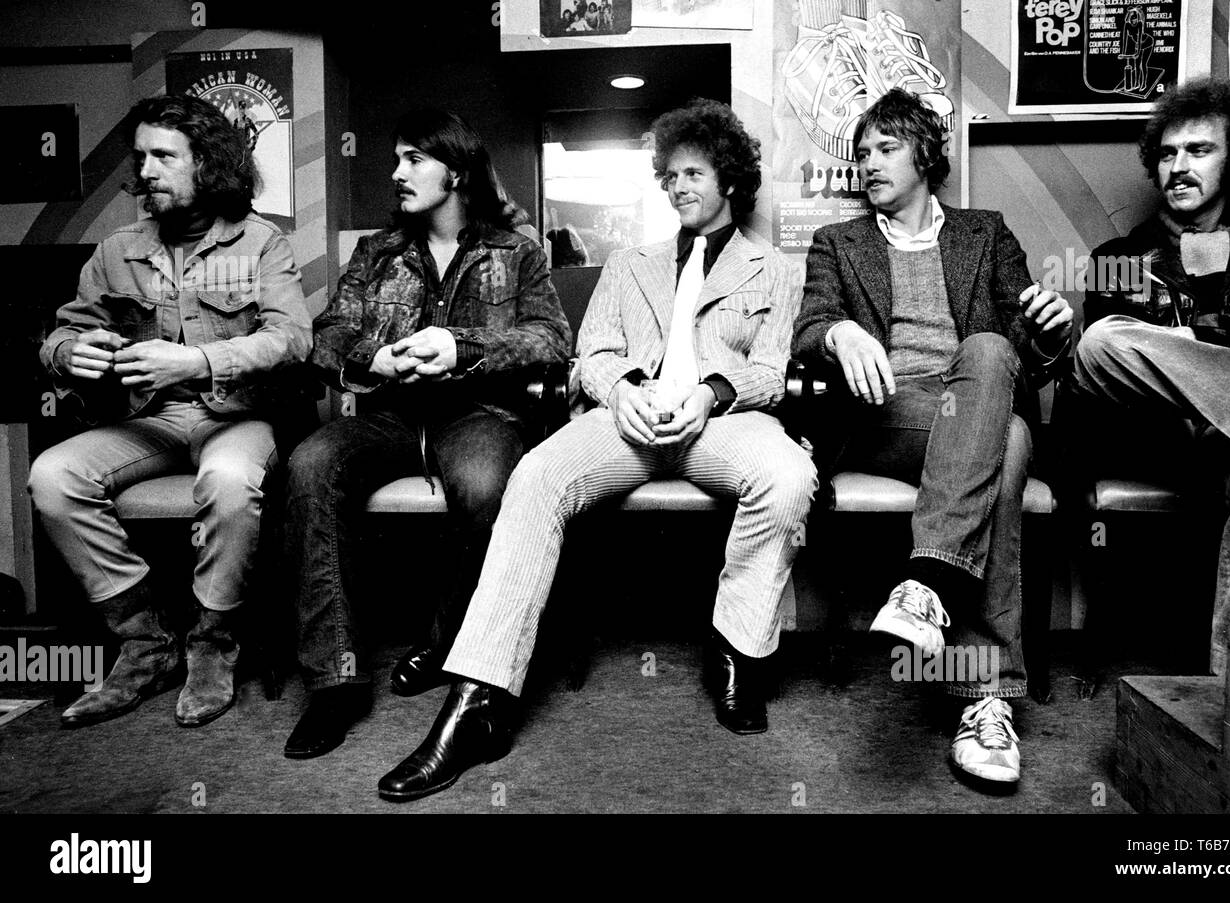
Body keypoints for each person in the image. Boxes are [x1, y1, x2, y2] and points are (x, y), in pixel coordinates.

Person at [374, 99, 815, 801]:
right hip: (626, 418)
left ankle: (738, 653)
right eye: (669, 176)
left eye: (693, 174)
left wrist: (710, 394)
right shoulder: (630, 263)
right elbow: (593, 354)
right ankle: (479, 700)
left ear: (729, 179)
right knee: (535, 475)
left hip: (722, 421)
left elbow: (771, 369)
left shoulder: (776, 269)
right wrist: (625, 389)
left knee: (788, 475)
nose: (677, 188)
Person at [792, 88, 1073, 785]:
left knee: (995, 386)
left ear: (924, 155)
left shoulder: (986, 232)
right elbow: (808, 328)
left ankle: (931, 597)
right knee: (1004, 437)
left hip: (975, 403)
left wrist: (1051, 333)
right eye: (862, 152)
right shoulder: (838, 243)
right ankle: (984, 688)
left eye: (885, 148)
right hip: (886, 413)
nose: (868, 163)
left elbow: (1022, 348)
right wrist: (840, 331)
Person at [281, 109, 571, 760]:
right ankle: (335, 682)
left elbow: (553, 339)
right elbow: (327, 337)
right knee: (309, 465)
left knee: (488, 486)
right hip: (388, 415)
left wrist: (461, 346)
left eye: (413, 159)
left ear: (456, 172)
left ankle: (452, 643)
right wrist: (373, 358)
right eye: (396, 159)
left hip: (478, 412)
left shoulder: (516, 250)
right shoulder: (377, 252)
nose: (397, 172)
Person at [28, 94, 311, 728]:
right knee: (52, 476)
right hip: (149, 422)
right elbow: (62, 331)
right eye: (141, 157)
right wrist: (70, 352)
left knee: (230, 482)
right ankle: (144, 644)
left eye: (164, 157)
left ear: (207, 163)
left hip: (235, 417)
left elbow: (292, 338)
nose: (147, 171)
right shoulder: (117, 249)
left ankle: (213, 644)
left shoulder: (261, 242)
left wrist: (197, 361)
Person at [1073, 76, 1230, 676]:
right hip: (1155, 439)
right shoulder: (1117, 258)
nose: (1178, 167)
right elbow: (1112, 366)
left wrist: (1190, 349)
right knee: (1100, 342)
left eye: (1199, 150)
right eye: (1168, 153)